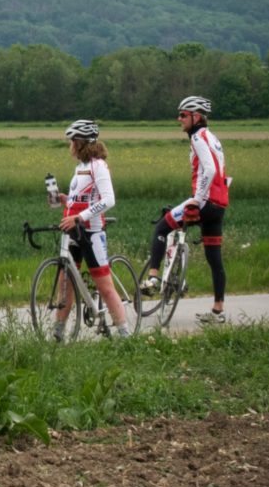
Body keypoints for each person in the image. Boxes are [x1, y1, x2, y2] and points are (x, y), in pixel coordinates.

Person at [140, 96, 230, 324]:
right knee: (214, 258)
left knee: (162, 227)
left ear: (196, 117)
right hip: (219, 205)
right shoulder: (213, 138)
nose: (178, 119)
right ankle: (218, 311)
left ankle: (153, 278)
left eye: (183, 115)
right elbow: (220, 172)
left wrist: (196, 200)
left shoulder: (198, 137)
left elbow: (209, 170)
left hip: (204, 202)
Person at [53, 119, 129, 340]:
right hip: (71, 231)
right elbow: (86, 197)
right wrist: (68, 201)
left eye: (71, 141)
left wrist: (79, 216)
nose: (69, 145)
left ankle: (126, 337)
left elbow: (108, 199)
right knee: (65, 285)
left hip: (91, 232)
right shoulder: (80, 168)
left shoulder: (98, 165)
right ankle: (58, 333)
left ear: (78, 142)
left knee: (104, 287)